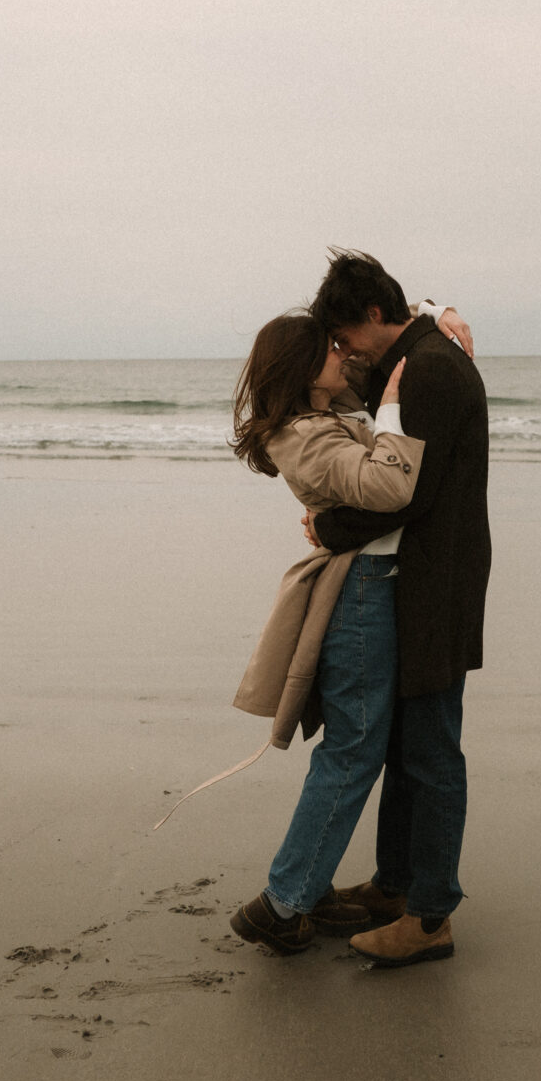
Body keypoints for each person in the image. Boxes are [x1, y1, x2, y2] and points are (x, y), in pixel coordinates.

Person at [307, 250, 490, 969]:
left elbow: (408, 490)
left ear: (378, 315)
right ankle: (395, 885)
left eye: (347, 335)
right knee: (405, 744)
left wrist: (328, 529)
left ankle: (430, 914)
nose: (344, 350)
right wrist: (438, 303)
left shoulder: (431, 371)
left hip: (436, 584)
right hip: (424, 578)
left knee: (433, 749)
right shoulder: (412, 352)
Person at [224, 313, 424, 952]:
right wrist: (390, 411)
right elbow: (391, 485)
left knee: (358, 744)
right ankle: (283, 903)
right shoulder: (304, 434)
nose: (344, 354)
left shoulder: (328, 406)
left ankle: (298, 891)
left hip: (374, 582)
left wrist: (436, 309)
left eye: (340, 344)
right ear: (301, 366)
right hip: (361, 591)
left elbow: (382, 330)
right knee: (353, 747)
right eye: (329, 349)